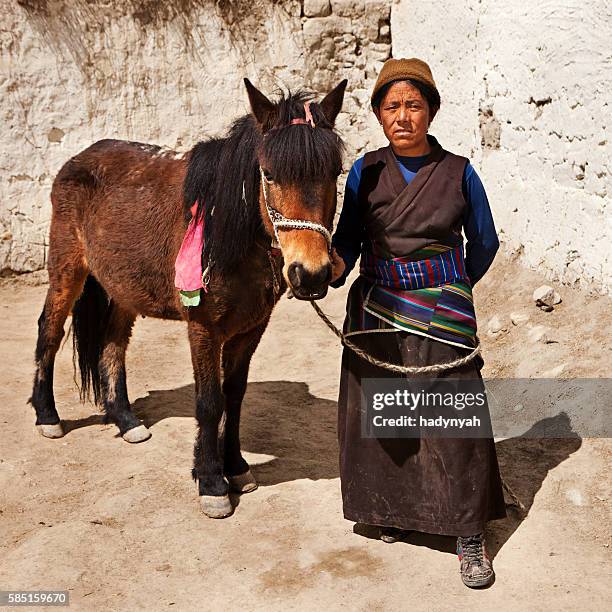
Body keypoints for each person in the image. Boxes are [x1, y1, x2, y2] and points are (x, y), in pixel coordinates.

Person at [330, 57, 506, 589]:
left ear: (430, 111)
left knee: (453, 423)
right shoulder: (365, 172)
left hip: (443, 310)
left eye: (413, 104)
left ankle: (468, 534)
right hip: (377, 309)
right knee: (388, 415)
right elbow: (346, 243)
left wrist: (444, 287)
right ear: (379, 116)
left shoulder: (459, 172)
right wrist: (324, 266)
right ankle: (395, 511)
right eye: (391, 106)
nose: (403, 115)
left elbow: (486, 243)